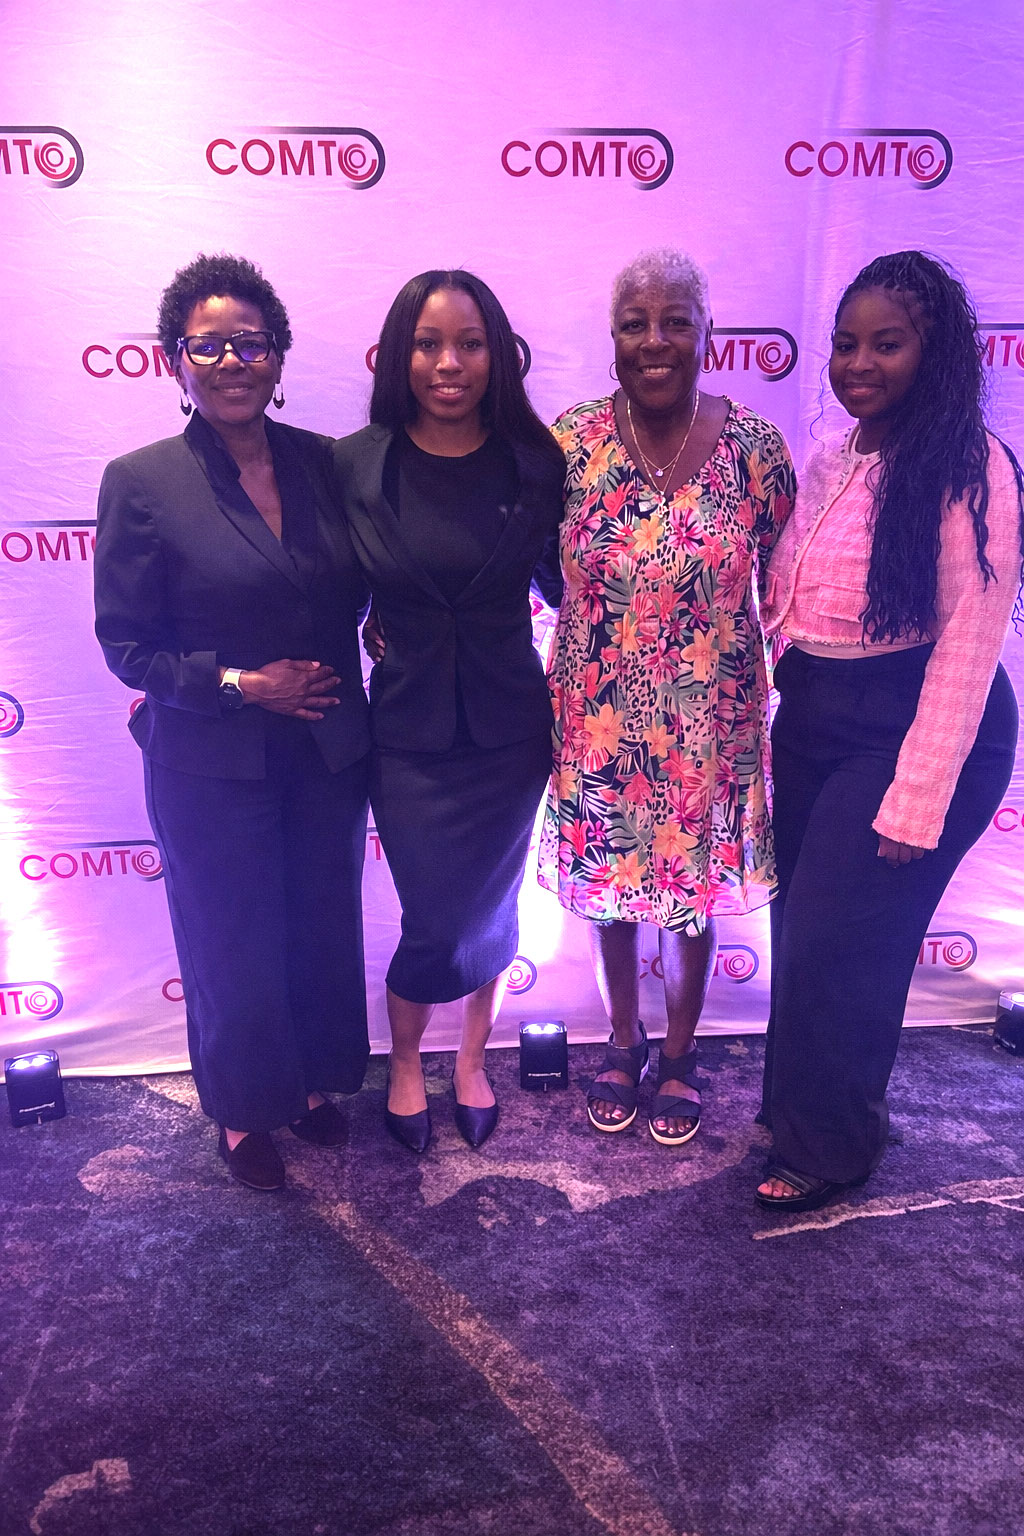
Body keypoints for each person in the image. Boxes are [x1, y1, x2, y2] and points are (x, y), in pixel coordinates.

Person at [95, 254, 372, 1192]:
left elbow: (362, 581)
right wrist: (242, 684)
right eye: (206, 346)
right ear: (175, 361)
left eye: (249, 344)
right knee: (232, 943)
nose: (230, 362)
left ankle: (306, 1083)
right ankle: (245, 1111)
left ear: (278, 356)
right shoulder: (142, 481)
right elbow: (127, 648)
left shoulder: (327, 463)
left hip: (325, 751)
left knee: (318, 929)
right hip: (209, 762)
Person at [757, 250, 1024, 1213]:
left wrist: (919, 797)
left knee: (843, 944)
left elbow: (972, 639)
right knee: (804, 930)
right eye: (846, 343)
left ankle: (831, 1149)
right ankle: (807, 1111)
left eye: (887, 343)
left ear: (934, 351)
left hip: (917, 727)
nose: (859, 363)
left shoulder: (971, 465)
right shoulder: (838, 454)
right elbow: (793, 597)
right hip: (818, 717)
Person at [538, 248, 795, 1144]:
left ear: (707, 333)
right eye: (635, 323)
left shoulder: (756, 450)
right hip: (599, 717)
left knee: (691, 897)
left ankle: (681, 1055)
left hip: (709, 724)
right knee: (610, 893)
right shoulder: (569, 445)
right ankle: (622, 1039)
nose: (655, 340)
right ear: (611, 339)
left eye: (676, 321)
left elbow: (788, 586)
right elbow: (531, 568)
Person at [333, 269, 565, 1152]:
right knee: (433, 919)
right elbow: (327, 590)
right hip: (407, 737)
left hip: (511, 735)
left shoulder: (537, 463)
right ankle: (403, 1063)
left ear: (497, 355)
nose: (449, 363)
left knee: (493, 910)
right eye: (428, 344)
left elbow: (574, 587)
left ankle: (471, 1061)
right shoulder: (354, 465)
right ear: (400, 354)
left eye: (469, 344)